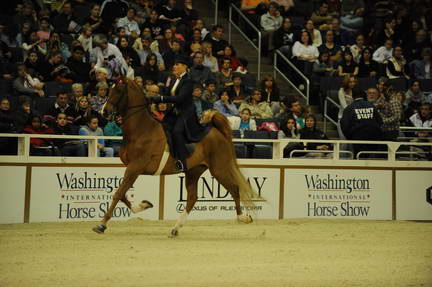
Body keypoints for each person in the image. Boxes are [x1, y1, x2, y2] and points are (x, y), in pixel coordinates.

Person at [150, 55, 196, 171]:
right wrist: (155, 93)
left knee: (176, 131)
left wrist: (160, 99)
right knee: (161, 127)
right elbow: (168, 93)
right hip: (175, 111)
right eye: (174, 64)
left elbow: (180, 99)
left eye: (177, 64)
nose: (174, 66)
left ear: (185, 66)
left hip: (186, 112)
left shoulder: (188, 81)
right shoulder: (174, 79)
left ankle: (182, 161)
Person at [340, 87, 383, 158]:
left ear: (353, 96)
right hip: (374, 137)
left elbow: (344, 125)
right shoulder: (371, 106)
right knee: (373, 160)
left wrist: (350, 137)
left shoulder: (350, 108)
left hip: (357, 138)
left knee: (358, 159)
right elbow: (380, 121)